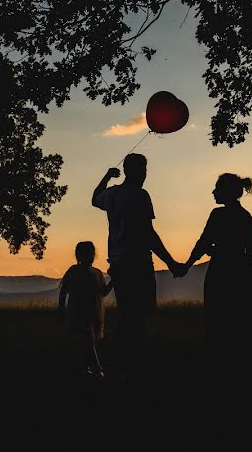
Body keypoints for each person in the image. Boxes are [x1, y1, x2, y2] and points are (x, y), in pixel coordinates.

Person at [92, 153, 185, 382]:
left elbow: (95, 199)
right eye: (144, 169)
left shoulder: (112, 193)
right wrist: (171, 263)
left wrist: (106, 176)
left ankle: (120, 366)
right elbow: (149, 234)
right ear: (139, 171)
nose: (145, 174)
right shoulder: (140, 196)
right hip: (138, 264)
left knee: (127, 315)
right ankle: (129, 367)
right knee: (138, 318)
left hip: (118, 264)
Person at [183, 173, 252, 383]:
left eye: (216, 189)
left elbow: (203, 243)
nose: (213, 192)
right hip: (243, 276)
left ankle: (218, 372)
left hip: (220, 274)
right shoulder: (247, 217)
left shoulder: (218, 215)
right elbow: (248, 255)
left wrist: (185, 266)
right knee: (242, 322)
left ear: (226, 192)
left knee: (218, 322)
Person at [58, 241, 114, 379]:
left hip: (92, 312)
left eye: (90, 253)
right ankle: (97, 369)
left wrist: (114, 279)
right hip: (78, 311)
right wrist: (61, 308)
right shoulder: (74, 271)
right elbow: (64, 290)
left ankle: (85, 369)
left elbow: (103, 292)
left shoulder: (97, 273)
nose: (89, 256)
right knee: (88, 340)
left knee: (87, 342)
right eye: (86, 253)